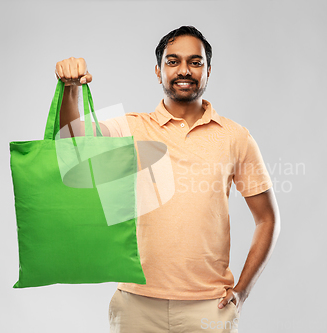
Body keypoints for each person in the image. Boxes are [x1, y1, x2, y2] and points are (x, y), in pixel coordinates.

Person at [55, 26, 280, 333]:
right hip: (136, 305)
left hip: (208, 308)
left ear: (208, 71)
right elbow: (72, 143)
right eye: (173, 61)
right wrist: (70, 89)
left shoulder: (235, 137)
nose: (184, 70)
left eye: (195, 62)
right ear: (158, 70)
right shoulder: (133, 128)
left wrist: (242, 290)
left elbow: (267, 219)